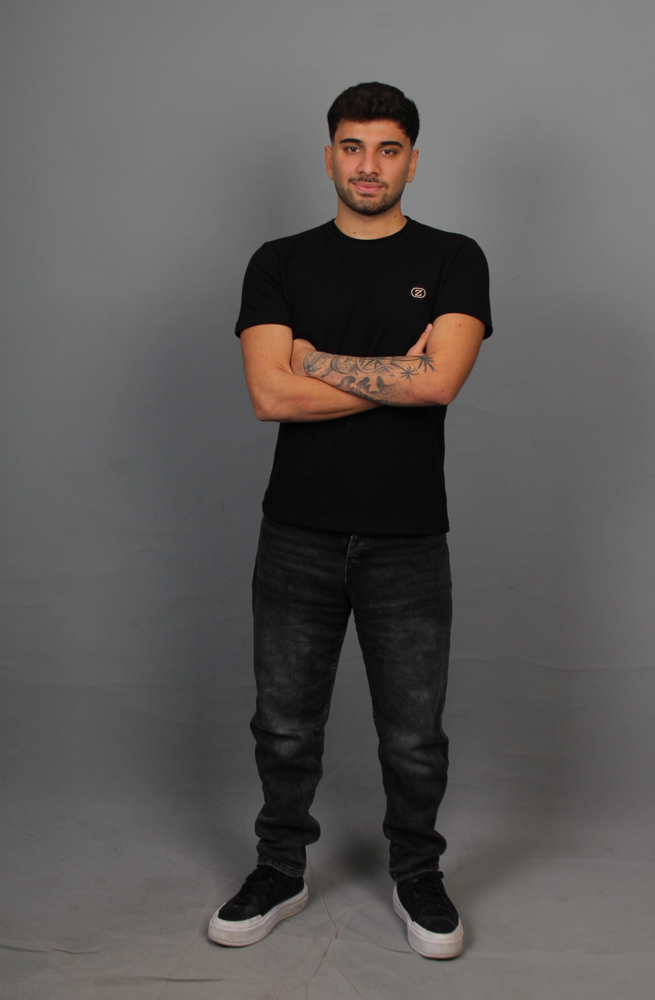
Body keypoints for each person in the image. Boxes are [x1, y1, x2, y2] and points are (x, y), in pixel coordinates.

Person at [208, 81, 492, 960]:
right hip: (296, 533)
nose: (369, 166)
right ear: (328, 155)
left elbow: (441, 382)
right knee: (284, 726)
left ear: (413, 160)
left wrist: (315, 361)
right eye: (353, 147)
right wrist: (395, 377)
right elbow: (268, 395)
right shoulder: (278, 262)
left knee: (414, 737)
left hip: (409, 538)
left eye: (388, 149)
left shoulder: (455, 258)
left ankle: (418, 873)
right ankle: (280, 869)